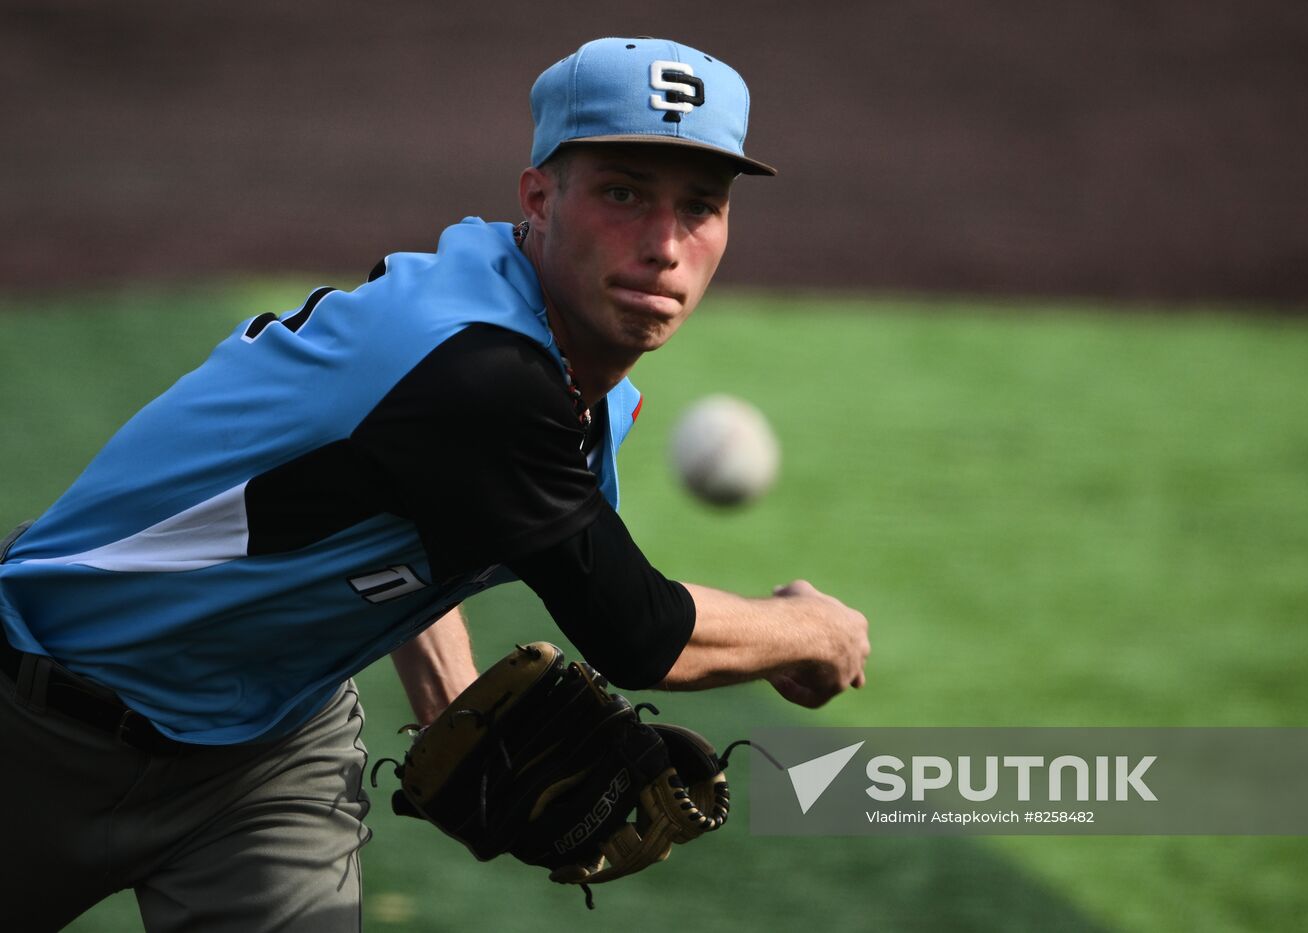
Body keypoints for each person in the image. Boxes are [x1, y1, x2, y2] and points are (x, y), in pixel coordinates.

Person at [0, 36, 869, 932]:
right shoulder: (479, 367)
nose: (663, 244)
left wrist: (446, 687)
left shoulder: (571, 379)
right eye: (622, 194)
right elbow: (641, 633)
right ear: (539, 195)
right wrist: (811, 629)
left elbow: (422, 492)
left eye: (700, 206)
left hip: (270, 753)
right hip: (41, 719)